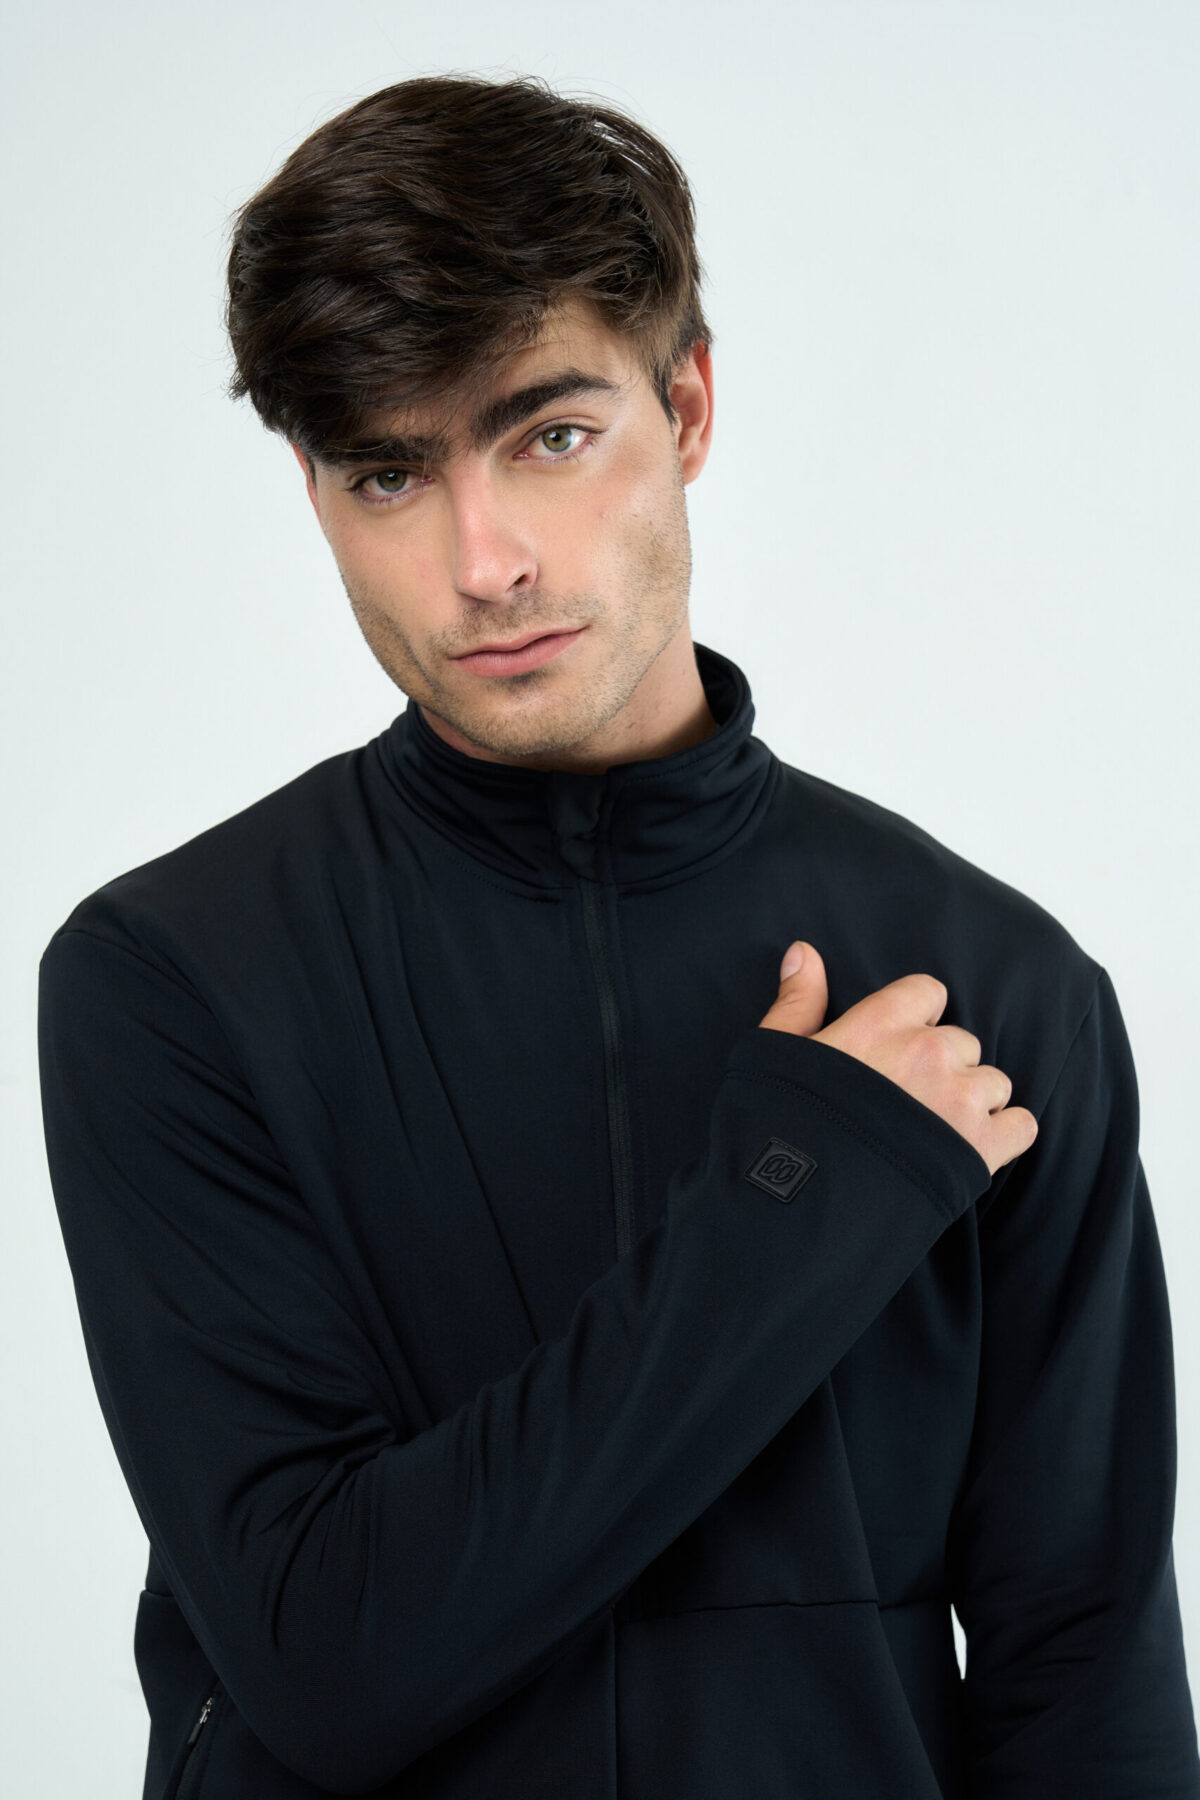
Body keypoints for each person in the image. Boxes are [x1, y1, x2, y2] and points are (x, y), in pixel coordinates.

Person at [36, 72, 1199, 1800]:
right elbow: (330, 1657)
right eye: (388, 473)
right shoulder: (171, 982)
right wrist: (796, 1202)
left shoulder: (989, 990)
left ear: (689, 406)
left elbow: (1088, 1677)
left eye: (551, 436)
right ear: (311, 486)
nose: (483, 562)